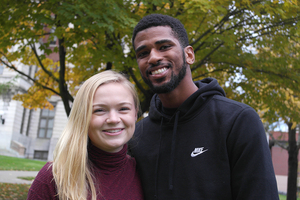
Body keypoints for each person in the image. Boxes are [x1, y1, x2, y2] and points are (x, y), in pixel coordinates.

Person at [129, 13, 279, 200]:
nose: (152, 58)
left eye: (164, 47)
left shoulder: (238, 120)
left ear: (189, 55)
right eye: (143, 53)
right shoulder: (135, 136)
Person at [27, 70, 143, 200]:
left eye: (123, 109)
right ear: (83, 118)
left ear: (135, 114)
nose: (113, 119)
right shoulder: (54, 177)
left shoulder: (146, 173)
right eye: (99, 110)